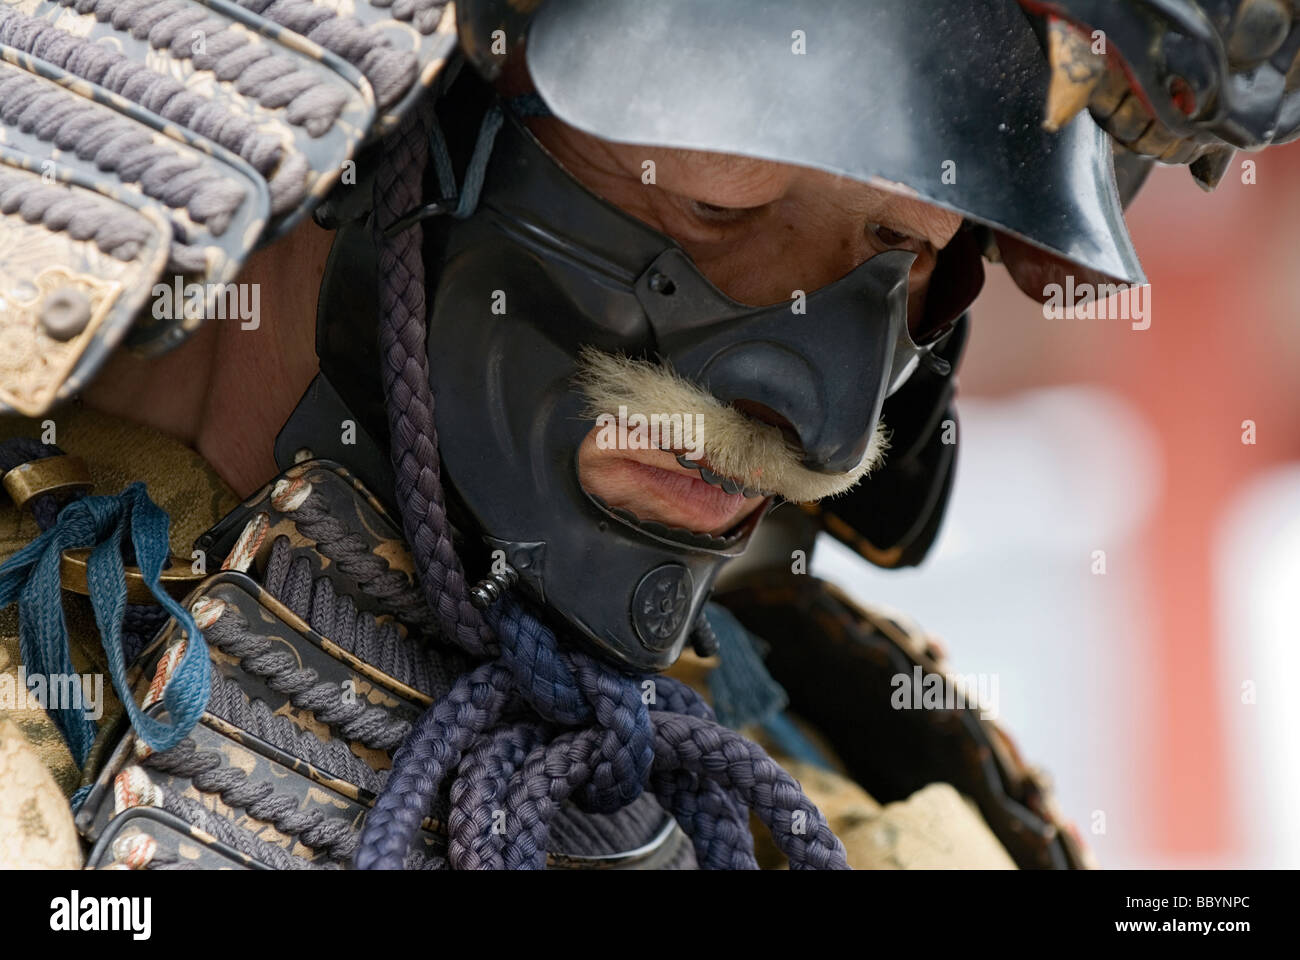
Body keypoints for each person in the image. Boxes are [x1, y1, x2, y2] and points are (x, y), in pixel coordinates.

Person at [1, 0, 1295, 870]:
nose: (827, 419)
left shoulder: (845, 786)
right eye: (725, 205)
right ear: (413, 135)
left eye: (905, 257)